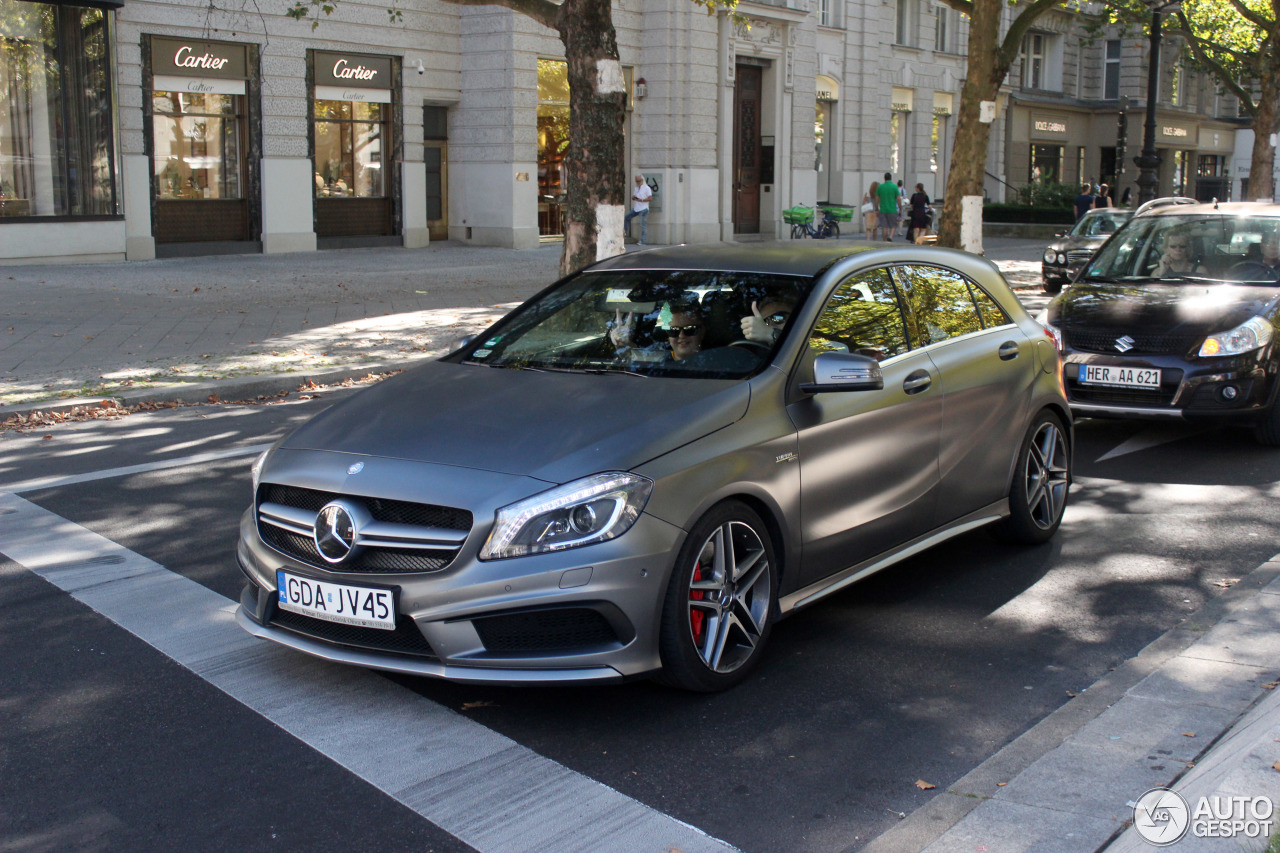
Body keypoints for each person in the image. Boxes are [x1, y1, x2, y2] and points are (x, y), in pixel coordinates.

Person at [624, 174, 653, 245]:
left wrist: (641, 200)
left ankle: (643, 241)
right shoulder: (636, 188)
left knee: (642, 224)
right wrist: (634, 198)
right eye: (636, 181)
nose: (638, 182)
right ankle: (625, 234)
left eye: (639, 181)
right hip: (637, 208)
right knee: (626, 218)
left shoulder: (646, 188)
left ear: (642, 180)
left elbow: (650, 198)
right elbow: (634, 196)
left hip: (643, 208)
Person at [876, 172, 900, 241]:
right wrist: (900, 208)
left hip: (883, 209)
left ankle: (884, 240)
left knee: (884, 226)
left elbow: (877, 199)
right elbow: (898, 199)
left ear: (884, 178)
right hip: (892, 209)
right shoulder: (895, 187)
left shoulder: (880, 187)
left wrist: (876, 208)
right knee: (893, 225)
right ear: (891, 178)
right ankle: (890, 237)